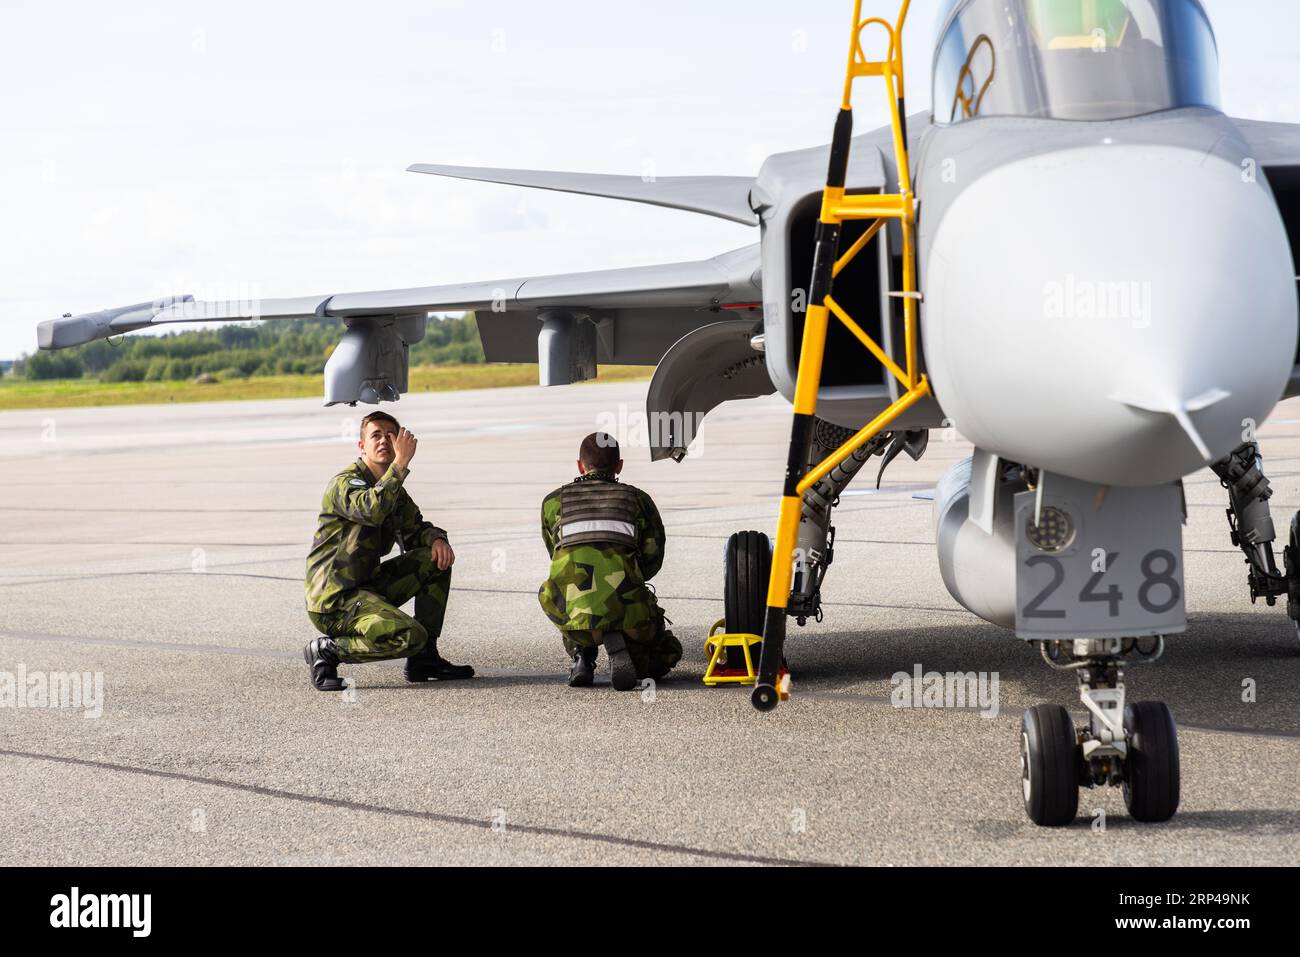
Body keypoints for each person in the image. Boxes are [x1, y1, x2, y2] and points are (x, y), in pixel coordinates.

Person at [302, 411, 474, 691]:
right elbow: (371, 509)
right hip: (335, 601)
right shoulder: (345, 483)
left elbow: (415, 527)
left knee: (435, 558)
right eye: (376, 436)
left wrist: (437, 540)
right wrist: (401, 463)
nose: (383, 441)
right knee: (409, 635)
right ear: (362, 446)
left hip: (367, 588)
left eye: (390, 436)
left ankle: (424, 659)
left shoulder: (392, 488)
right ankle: (329, 650)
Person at [538, 432, 682, 690]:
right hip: (630, 614)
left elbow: (556, 556)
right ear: (619, 466)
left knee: (569, 585)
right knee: (665, 656)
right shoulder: (638, 500)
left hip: (575, 618)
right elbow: (652, 560)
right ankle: (624, 643)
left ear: (580, 466)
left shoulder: (553, 502)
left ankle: (582, 655)